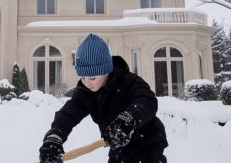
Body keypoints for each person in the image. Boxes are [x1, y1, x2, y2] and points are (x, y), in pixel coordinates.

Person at [39, 33, 168, 163]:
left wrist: (128, 118)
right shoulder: (85, 92)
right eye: (82, 77)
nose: (87, 82)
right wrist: (54, 137)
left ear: (106, 70)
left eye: (93, 78)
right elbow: (68, 115)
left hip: (148, 140)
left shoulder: (128, 81)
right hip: (118, 143)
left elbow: (147, 100)